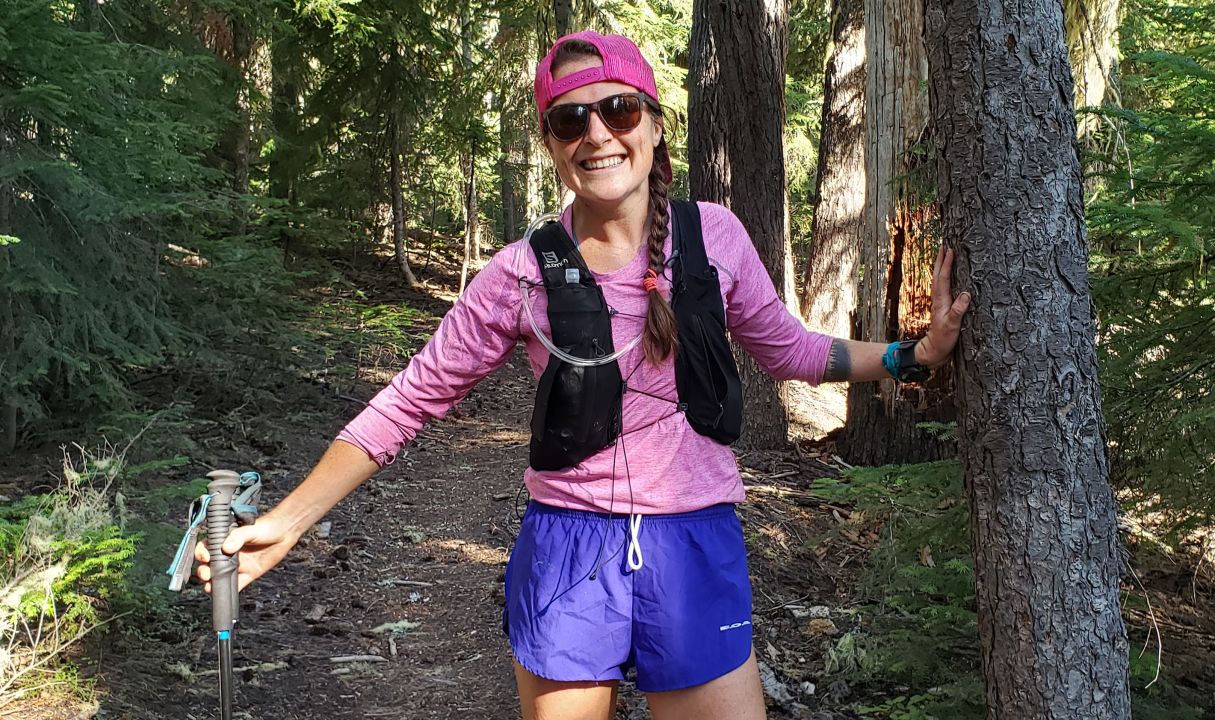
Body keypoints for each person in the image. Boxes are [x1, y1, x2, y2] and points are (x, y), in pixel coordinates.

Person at [194, 30, 971, 720]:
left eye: (619, 111)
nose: (596, 134)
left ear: (655, 123)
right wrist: (287, 525)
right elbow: (409, 401)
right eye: (570, 120)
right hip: (568, 548)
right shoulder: (520, 273)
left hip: (695, 543)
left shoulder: (717, 239)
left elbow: (793, 350)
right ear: (551, 144)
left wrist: (912, 356)